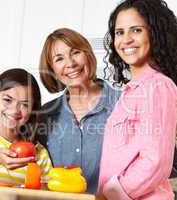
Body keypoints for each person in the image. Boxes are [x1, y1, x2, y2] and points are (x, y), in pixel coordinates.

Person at [98, 0, 177, 199]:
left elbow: (156, 161)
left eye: (136, 30)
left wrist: (111, 195)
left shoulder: (157, 86)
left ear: (155, 34)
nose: (125, 40)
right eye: (119, 32)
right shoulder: (133, 90)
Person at [38, 28, 121, 193]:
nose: (70, 63)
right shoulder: (44, 115)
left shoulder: (124, 104)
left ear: (88, 55)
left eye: (75, 52)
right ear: (52, 69)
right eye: (59, 59)